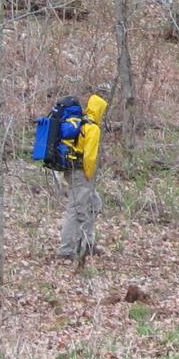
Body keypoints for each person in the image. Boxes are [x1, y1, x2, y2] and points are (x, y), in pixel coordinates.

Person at [56, 89, 109, 261]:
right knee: (77, 209)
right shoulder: (92, 127)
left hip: (72, 170)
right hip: (80, 172)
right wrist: (89, 175)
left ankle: (86, 243)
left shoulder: (83, 123)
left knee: (94, 203)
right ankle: (66, 250)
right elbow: (90, 157)